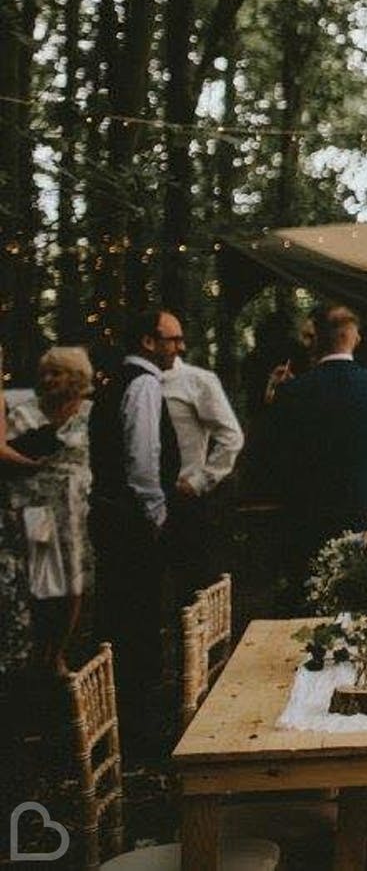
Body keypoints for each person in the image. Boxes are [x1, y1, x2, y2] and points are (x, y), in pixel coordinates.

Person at [88, 307, 185, 753]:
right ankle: (140, 730)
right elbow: (144, 458)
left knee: (120, 617)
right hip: (131, 521)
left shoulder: (114, 382)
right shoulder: (143, 384)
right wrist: (157, 515)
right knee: (140, 620)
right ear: (148, 341)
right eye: (172, 339)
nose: (178, 347)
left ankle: (121, 720)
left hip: (111, 516)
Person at [270, 305, 367, 584]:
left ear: (316, 338)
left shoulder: (290, 394)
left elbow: (276, 464)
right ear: (354, 336)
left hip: (307, 524)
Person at [2, 347, 95, 678]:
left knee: (74, 586)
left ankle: (58, 654)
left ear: (76, 377)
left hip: (75, 511)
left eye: (56, 373)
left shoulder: (90, 413)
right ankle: (40, 658)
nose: (48, 379)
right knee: (44, 586)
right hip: (35, 512)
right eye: (45, 373)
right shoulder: (25, 413)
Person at [160, 339, 246, 595]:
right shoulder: (134, 383)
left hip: (184, 499)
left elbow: (231, 436)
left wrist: (200, 481)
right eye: (172, 339)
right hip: (142, 499)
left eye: (179, 340)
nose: (180, 345)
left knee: (191, 587)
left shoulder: (197, 381)